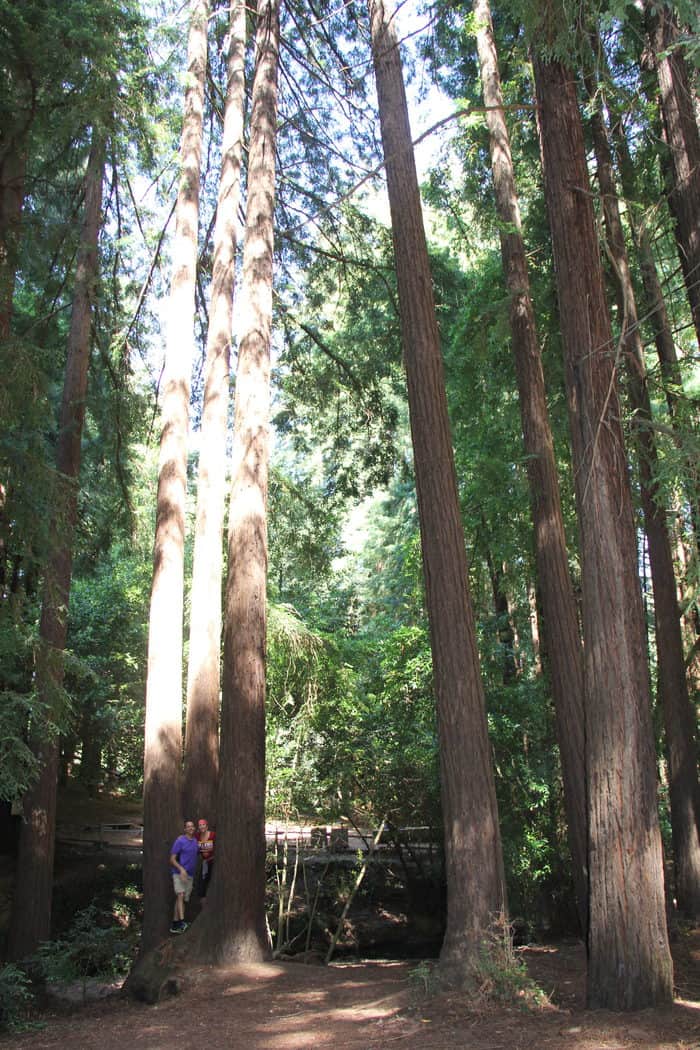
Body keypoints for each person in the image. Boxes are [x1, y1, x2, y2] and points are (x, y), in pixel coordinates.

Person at [169, 819, 198, 933]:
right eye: (188, 826)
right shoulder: (180, 841)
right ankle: (182, 922)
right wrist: (181, 870)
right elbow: (171, 859)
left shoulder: (195, 841)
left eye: (192, 826)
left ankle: (175, 925)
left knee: (181, 899)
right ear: (185, 829)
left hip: (190, 875)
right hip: (178, 873)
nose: (191, 828)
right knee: (180, 895)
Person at [196, 817, 215, 902]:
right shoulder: (197, 836)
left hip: (213, 862)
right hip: (205, 862)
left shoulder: (212, 835)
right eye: (200, 825)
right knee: (202, 883)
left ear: (207, 826)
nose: (201, 826)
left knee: (210, 880)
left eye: (203, 824)